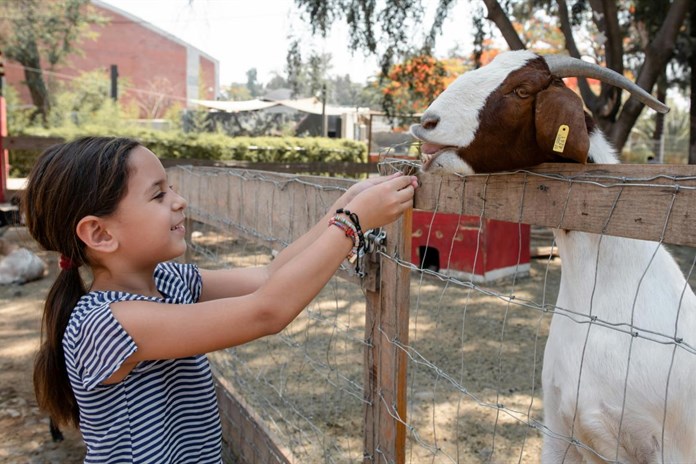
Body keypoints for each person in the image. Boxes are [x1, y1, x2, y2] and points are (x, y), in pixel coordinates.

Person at [24, 136, 418, 463]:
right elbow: (267, 311)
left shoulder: (169, 281)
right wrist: (351, 224)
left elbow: (269, 276)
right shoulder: (106, 323)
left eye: (171, 187)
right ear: (100, 234)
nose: (178, 201)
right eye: (158, 195)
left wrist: (345, 204)